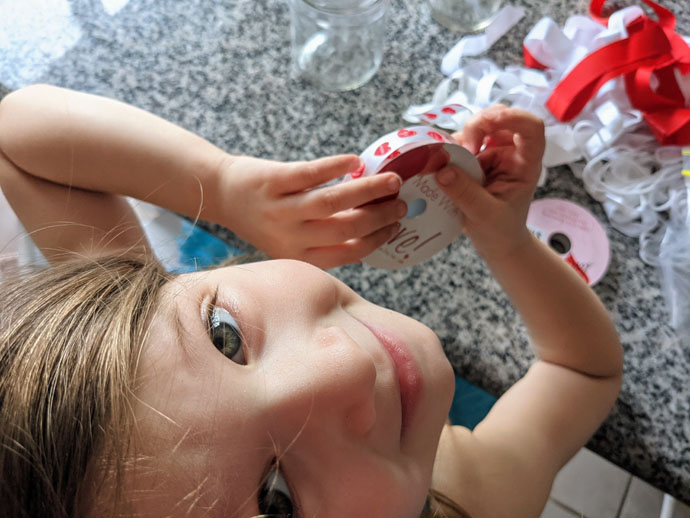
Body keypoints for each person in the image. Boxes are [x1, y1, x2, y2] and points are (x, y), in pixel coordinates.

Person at [0, 85, 623, 518]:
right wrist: (510, 247)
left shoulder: (116, 373)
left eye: (224, 337)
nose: (341, 366)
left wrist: (224, 184)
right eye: (278, 501)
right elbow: (582, 369)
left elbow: (16, 139)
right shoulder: (472, 497)